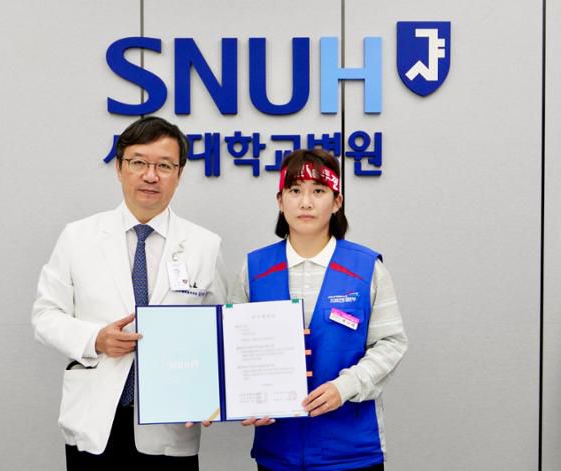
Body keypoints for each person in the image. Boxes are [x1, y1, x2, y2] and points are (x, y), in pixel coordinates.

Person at [32, 116, 226, 470]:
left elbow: (221, 332)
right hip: (95, 421)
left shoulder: (204, 245)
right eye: (139, 163)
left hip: (170, 423)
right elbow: (45, 316)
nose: (151, 176)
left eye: (164, 166)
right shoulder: (78, 237)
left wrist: (211, 394)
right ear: (119, 168)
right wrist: (95, 339)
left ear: (179, 174)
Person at [231, 149, 408, 471]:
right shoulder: (254, 268)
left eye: (318, 191)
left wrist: (345, 387)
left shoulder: (366, 267)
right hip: (278, 452)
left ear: (337, 202)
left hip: (352, 451)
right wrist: (245, 398)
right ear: (280, 201)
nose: (306, 203)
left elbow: (391, 343)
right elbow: (234, 348)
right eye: (294, 191)